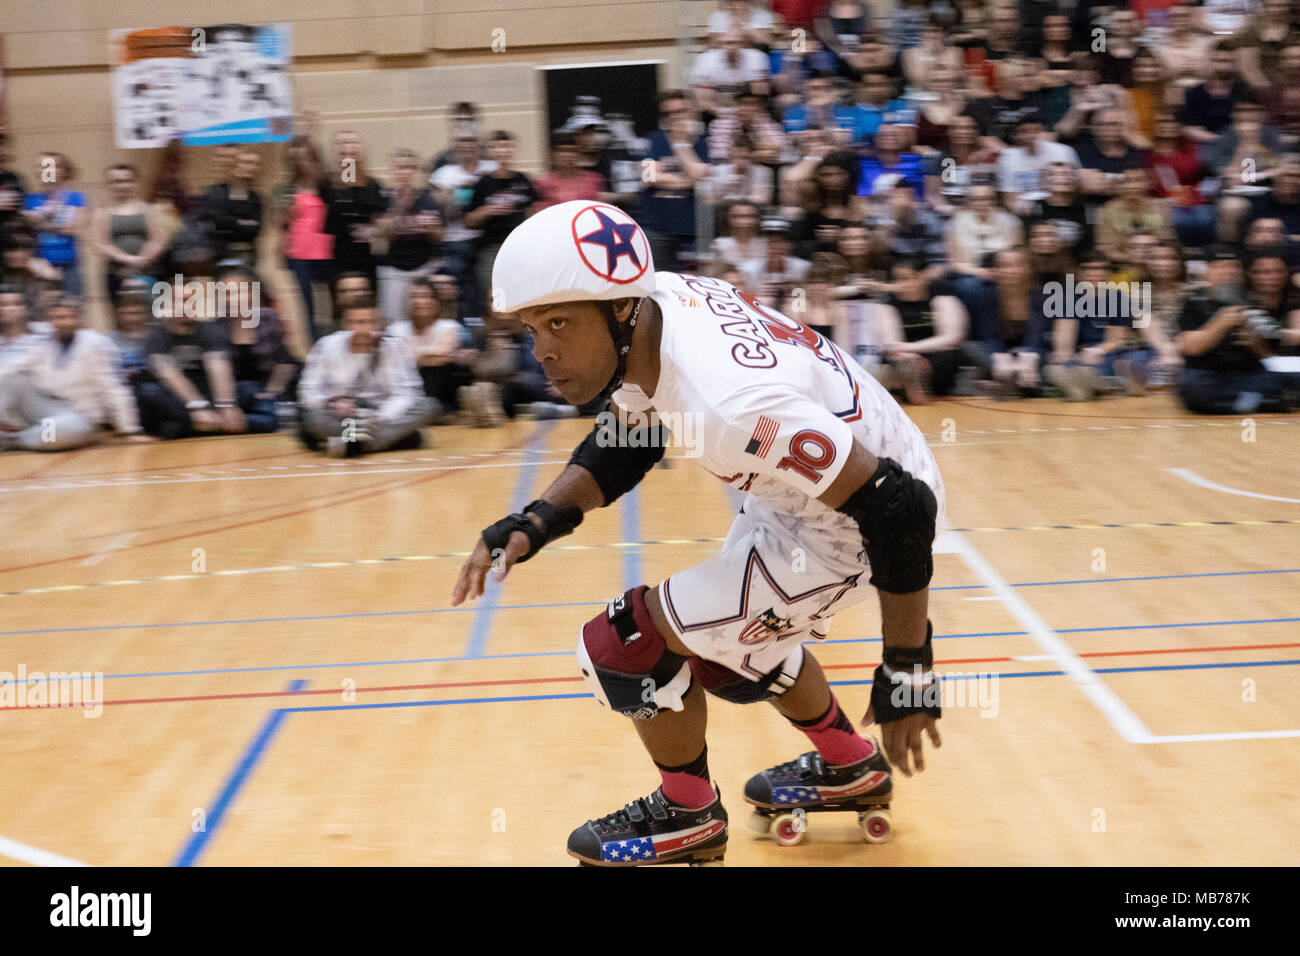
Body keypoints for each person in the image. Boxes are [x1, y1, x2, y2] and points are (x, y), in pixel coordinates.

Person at [451, 200, 945, 866]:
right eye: (530, 329)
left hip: (859, 521)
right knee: (721, 646)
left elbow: (900, 510)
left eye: (559, 323)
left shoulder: (729, 403)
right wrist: (538, 518)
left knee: (624, 643)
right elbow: (635, 432)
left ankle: (687, 816)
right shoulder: (656, 308)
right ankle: (850, 765)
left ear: (619, 310)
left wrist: (908, 670)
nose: (542, 351)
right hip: (809, 490)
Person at [0, 295, 149, 452]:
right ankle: (21, 433)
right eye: (57, 318)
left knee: (58, 432)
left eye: (68, 317)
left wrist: (130, 430)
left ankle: (15, 440)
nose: (63, 323)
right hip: (41, 410)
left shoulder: (97, 344)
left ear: (79, 319)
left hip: (77, 417)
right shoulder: (38, 341)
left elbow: (114, 389)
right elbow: (6, 369)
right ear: (50, 320)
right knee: (12, 379)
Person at [1175, 247, 1300, 412]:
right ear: (1207, 271)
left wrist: (1254, 339)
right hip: (1208, 374)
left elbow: (1266, 353)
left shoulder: (1250, 299)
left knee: (1291, 377)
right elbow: (1190, 347)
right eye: (1222, 267)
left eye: (1234, 267)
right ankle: (1259, 402)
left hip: (1247, 374)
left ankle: (1243, 402)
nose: (1229, 272)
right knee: (1191, 386)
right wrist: (1220, 324)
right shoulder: (1193, 302)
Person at [874, 257, 969, 402]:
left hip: (934, 357)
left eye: (908, 278)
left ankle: (908, 386)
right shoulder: (889, 306)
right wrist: (910, 356)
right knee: (894, 360)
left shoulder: (942, 299)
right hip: (905, 360)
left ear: (922, 278)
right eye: (897, 279)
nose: (902, 284)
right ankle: (910, 385)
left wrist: (912, 348)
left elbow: (952, 337)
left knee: (947, 355)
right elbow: (891, 344)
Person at [465, 131, 538, 312]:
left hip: (520, 248)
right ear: (492, 151)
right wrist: (488, 210)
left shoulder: (523, 180)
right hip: (492, 249)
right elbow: (468, 220)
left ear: (513, 150)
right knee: (494, 297)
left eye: (506, 146)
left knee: (522, 295)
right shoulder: (484, 182)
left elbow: (533, 212)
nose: (503, 151)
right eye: (498, 146)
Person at [275, 136, 334, 342]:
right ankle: (314, 345)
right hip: (299, 253)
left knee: (332, 302)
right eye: (297, 159)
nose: (302, 163)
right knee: (307, 305)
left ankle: (334, 340)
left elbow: (351, 181)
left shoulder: (327, 183)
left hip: (328, 251)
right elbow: (280, 223)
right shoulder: (287, 187)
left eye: (306, 157)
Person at [376, 148, 444, 326]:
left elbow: (440, 235)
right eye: (400, 168)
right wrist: (399, 207)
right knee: (393, 325)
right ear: (392, 171)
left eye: (409, 168)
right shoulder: (384, 198)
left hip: (424, 268)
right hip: (394, 270)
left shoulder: (428, 199)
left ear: (416, 171)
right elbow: (384, 233)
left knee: (425, 321)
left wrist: (430, 228)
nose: (404, 172)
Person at [92, 164, 168, 303]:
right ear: (108, 185)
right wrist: (126, 259)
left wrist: (139, 263)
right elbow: (100, 244)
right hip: (116, 274)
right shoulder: (102, 212)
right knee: (120, 321)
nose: (121, 185)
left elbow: (158, 240)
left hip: (148, 272)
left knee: (152, 318)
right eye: (116, 181)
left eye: (127, 181)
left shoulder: (149, 209)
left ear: (135, 183)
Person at [22, 152, 87, 296]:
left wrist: (43, 220)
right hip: (40, 266)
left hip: (69, 265)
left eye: (54, 166)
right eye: (42, 166)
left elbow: (77, 229)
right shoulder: (30, 200)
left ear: (63, 170)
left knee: (74, 308)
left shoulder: (76, 197)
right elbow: (26, 227)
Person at [201, 149, 263, 262]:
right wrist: (243, 223)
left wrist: (229, 223)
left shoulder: (255, 198)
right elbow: (216, 221)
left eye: (255, 164)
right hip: (219, 255)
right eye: (247, 162)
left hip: (247, 257)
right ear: (235, 165)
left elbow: (256, 230)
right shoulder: (216, 191)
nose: (252, 167)